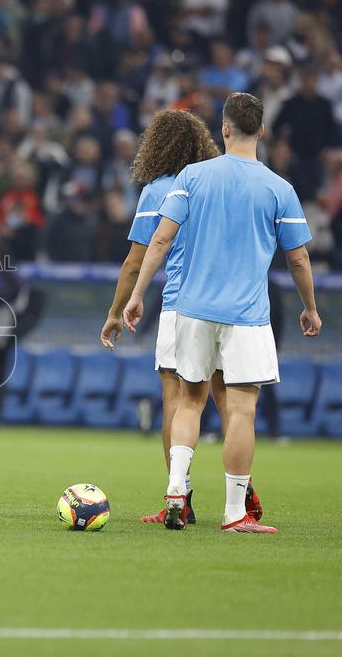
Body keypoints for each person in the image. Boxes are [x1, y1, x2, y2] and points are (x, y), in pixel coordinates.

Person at [122, 93, 321, 533]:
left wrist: (136, 296)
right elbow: (299, 259)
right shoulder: (278, 188)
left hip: (191, 309)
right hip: (247, 315)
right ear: (262, 131)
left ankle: (176, 490)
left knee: (187, 401)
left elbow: (160, 241)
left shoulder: (192, 176)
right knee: (240, 411)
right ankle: (234, 513)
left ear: (225, 128)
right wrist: (310, 307)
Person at [99, 109, 268, 524]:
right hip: (233, 307)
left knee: (179, 399)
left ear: (155, 146)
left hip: (181, 306)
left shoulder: (158, 190)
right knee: (233, 400)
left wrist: (115, 312)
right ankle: (240, 493)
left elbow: (136, 262)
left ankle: (180, 494)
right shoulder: (219, 182)